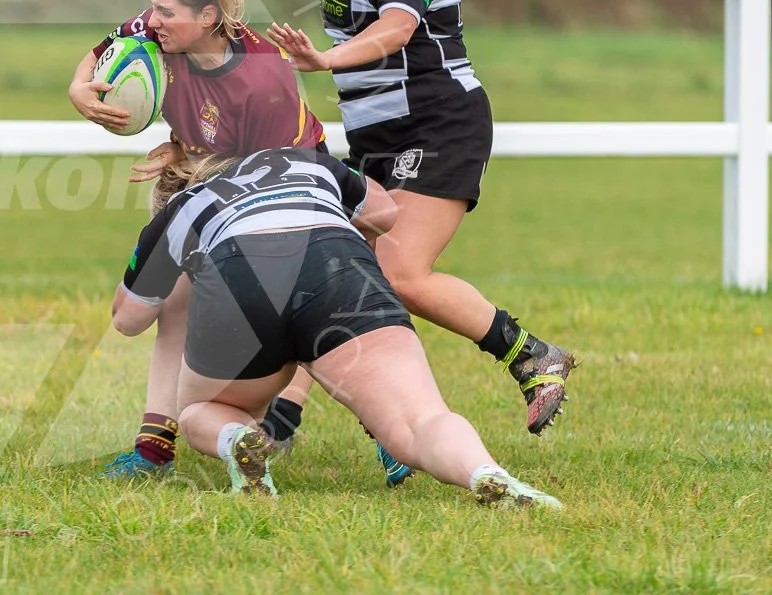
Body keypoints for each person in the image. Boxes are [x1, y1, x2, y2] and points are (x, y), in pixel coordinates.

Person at [265, 0, 576, 475]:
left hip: (437, 128)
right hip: (380, 138)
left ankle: (530, 354)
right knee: (322, 272)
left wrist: (322, 59)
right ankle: (297, 421)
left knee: (399, 275)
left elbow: (397, 24)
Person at [110, 149, 563, 509]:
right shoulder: (302, 158)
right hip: (338, 265)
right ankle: (486, 473)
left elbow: (128, 320)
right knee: (420, 421)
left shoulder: (180, 208)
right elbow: (384, 212)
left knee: (200, 410)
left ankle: (237, 439)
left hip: (240, 283)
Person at [67, 0, 332, 480]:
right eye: (150, 8)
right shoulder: (161, 31)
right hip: (202, 170)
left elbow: (269, 175)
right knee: (170, 304)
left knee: (308, 310)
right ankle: (154, 447)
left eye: (165, 11)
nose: (150, 20)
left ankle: (382, 430)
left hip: (286, 185)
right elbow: (99, 54)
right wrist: (79, 91)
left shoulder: (263, 80)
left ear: (209, 17)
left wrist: (188, 154)